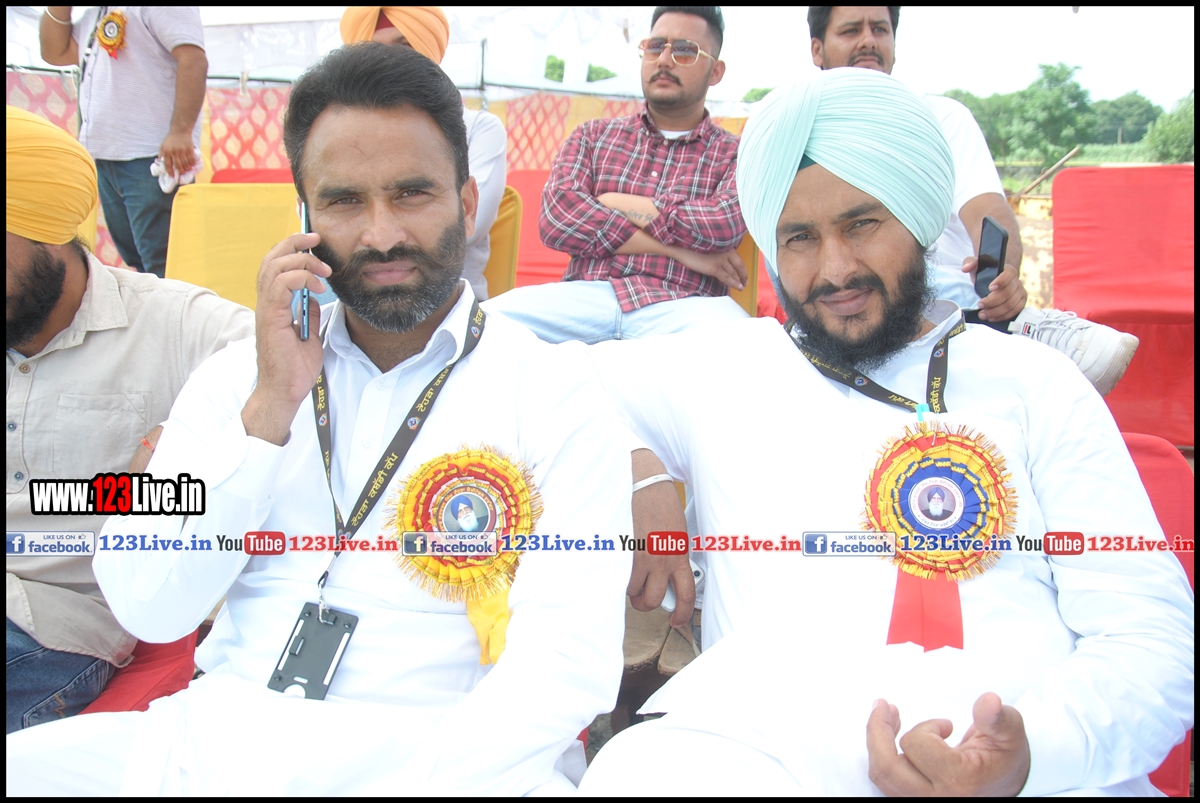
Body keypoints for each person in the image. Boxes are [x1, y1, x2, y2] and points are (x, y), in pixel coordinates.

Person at [6, 44, 632, 796]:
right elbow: (148, 603)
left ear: (468, 204)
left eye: (411, 194)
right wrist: (267, 414)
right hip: (218, 744)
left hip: (448, 761)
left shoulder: (555, 392)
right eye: (343, 201)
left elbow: (564, 666)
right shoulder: (237, 378)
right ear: (303, 215)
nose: (381, 235)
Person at [578, 68, 1193, 795]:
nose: (835, 269)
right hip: (770, 761)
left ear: (920, 220)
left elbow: (1149, 636)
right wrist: (637, 467)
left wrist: (1030, 755)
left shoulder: (1037, 383)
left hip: (1037, 773)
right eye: (799, 237)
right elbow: (530, 384)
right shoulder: (719, 367)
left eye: (862, 224)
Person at [5, 106, 253, 733]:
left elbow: (306, 374)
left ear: (48, 232)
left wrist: (189, 454)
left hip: (54, 623)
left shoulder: (174, 326)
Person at [806, 5, 1139, 396]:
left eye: (880, 29)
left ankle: (1007, 323)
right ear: (818, 49)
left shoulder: (942, 118)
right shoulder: (801, 134)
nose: (869, 41)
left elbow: (989, 213)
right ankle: (1021, 333)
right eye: (851, 31)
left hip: (948, 297)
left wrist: (1003, 275)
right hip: (843, 290)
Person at [485, 5, 750, 343]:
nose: (664, 60)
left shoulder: (736, 153)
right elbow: (558, 218)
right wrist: (681, 251)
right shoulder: (593, 136)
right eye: (655, 46)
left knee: (748, 347)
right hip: (583, 297)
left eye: (684, 51)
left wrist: (614, 202)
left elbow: (722, 225)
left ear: (716, 71)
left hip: (685, 305)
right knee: (479, 330)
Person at [340, 6, 507, 301]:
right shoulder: (339, 134)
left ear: (429, 51)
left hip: (450, 304)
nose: (388, 60)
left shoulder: (478, 128)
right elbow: (323, 225)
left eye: (404, 46)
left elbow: (467, 225)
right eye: (374, 50)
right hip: (355, 301)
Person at [38, 7, 207, 279]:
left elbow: (193, 59)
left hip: (151, 158)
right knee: (139, 263)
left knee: (165, 264)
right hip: (106, 158)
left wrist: (181, 131)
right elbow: (54, 52)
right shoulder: (97, 12)